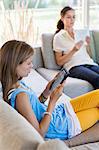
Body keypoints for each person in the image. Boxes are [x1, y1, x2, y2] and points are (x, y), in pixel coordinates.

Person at [0, 40, 99, 140]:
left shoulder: (17, 84)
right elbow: (39, 134)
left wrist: (46, 93)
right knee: (97, 110)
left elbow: (34, 109)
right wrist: (52, 101)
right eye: (28, 63)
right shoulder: (20, 96)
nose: (32, 66)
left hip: (59, 113)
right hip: (61, 126)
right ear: (14, 65)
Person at [53, 6, 99, 89]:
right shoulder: (58, 37)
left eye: (74, 17)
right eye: (68, 17)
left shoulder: (79, 33)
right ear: (62, 18)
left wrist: (88, 45)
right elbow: (59, 62)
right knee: (97, 79)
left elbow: (87, 55)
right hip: (74, 67)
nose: (72, 20)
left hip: (89, 63)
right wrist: (73, 50)